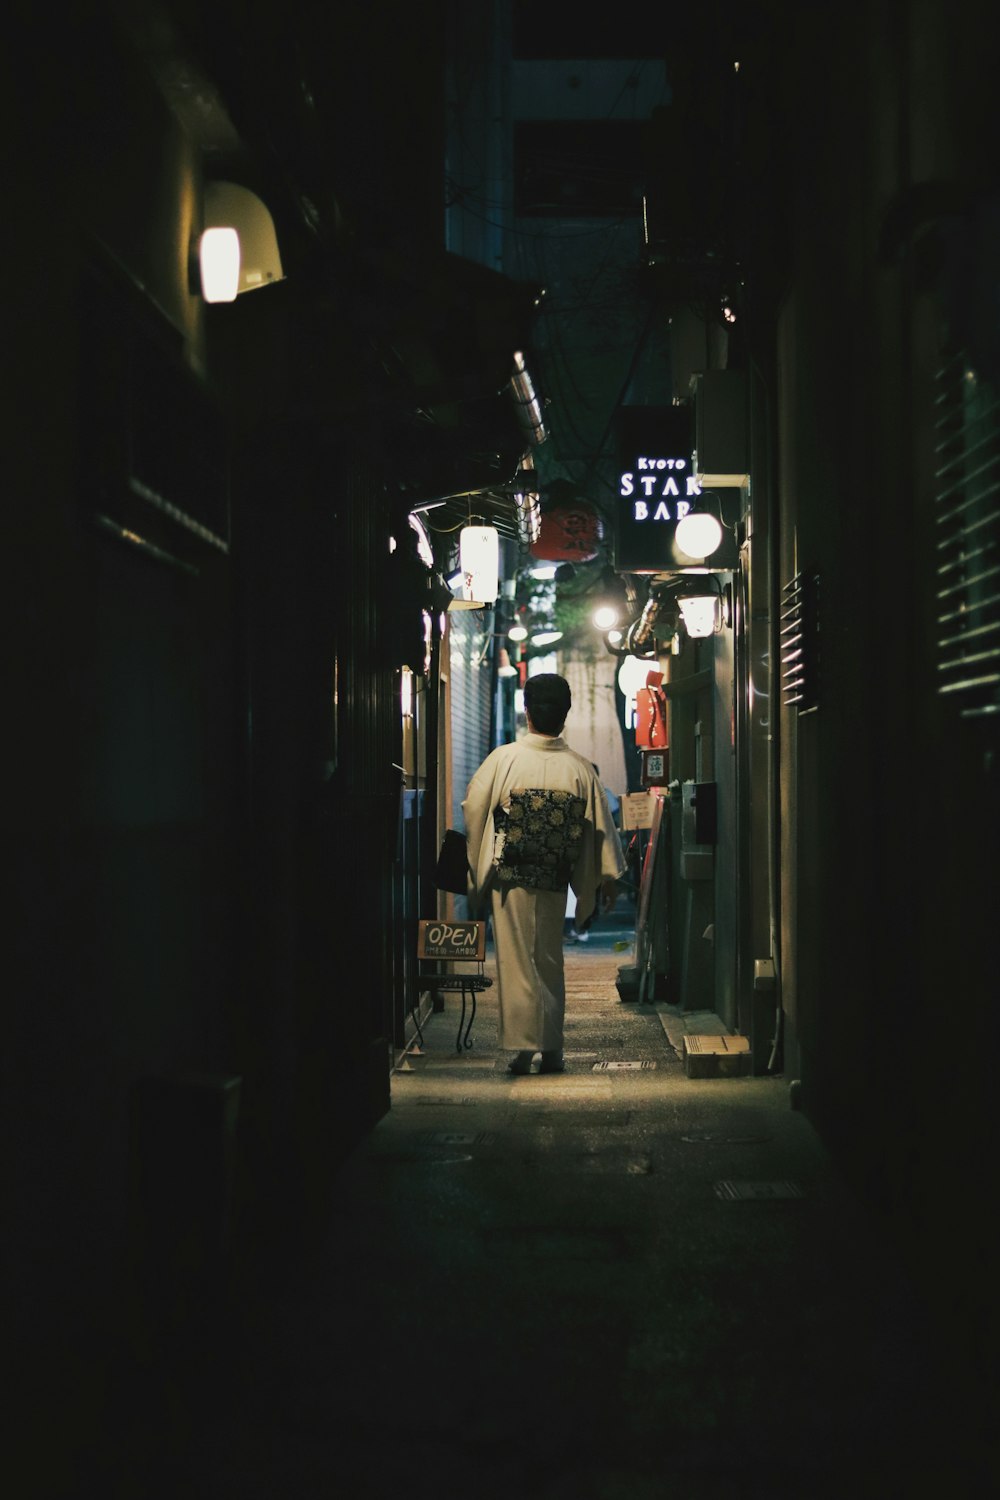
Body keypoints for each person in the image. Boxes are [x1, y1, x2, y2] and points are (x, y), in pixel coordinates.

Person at [462, 673, 626, 1075]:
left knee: (517, 961)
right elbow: (599, 829)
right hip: (555, 878)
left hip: (511, 877)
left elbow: (473, 810)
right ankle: (551, 1049)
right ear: (566, 713)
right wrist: (605, 878)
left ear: (526, 709)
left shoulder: (504, 760)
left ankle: (523, 1049)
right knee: (550, 960)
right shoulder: (580, 768)